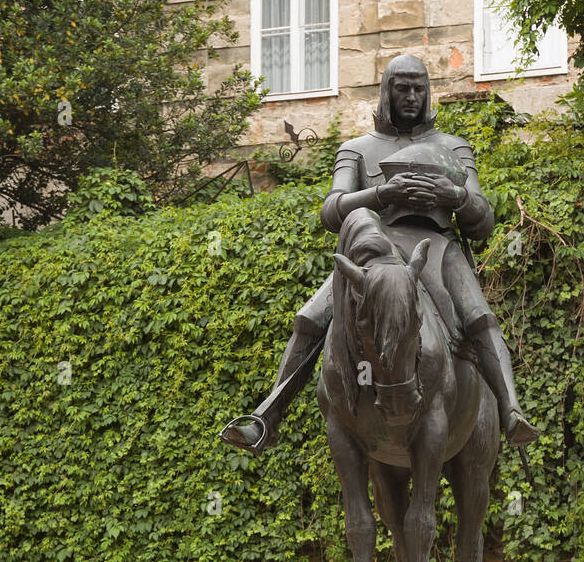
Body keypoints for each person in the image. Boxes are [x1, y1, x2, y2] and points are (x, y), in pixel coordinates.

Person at [222, 53, 540, 456]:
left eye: (418, 87)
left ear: (428, 92)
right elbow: (330, 211)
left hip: (438, 247)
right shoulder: (356, 148)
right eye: (401, 87)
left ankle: (511, 412)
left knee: (480, 317)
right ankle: (266, 417)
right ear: (385, 91)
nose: (410, 96)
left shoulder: (453, 147)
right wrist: (380, 194)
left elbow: (484, 222)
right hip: (377, 251)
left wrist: (454, 195)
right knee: (309, 317)